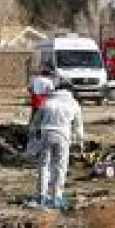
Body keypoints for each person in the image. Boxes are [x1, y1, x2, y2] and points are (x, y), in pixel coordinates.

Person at [27, 81, 85, 209]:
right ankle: (56, 197)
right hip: (63, 136)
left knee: (44, 165)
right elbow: (78, 126)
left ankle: (41, 196)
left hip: (46, 134)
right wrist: (80, 142)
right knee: (60, 166)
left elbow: (35, 122)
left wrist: (31, 138)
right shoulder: (73, 104)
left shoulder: (47, 102)